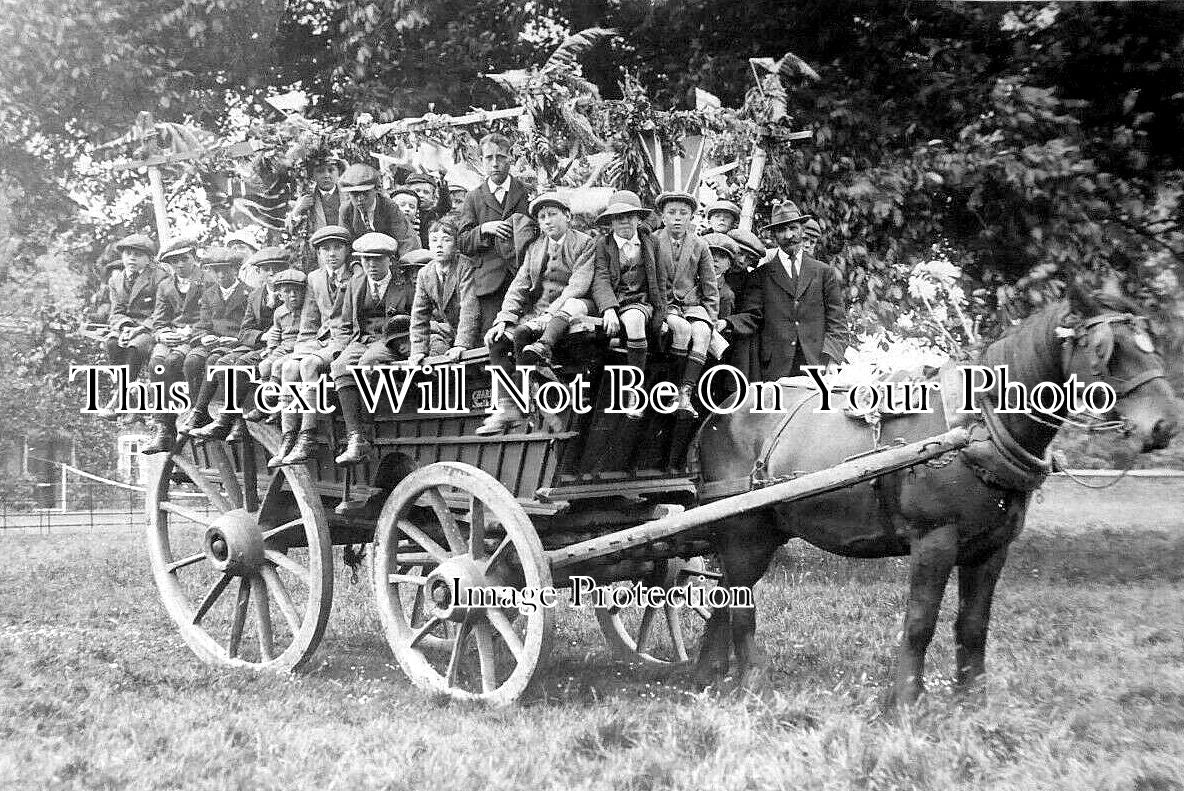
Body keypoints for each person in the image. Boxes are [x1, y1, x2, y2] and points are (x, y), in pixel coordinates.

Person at [477, 192, 595, 435]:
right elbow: (519, 286)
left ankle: (534, 401)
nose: (547, 221)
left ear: (568, 216)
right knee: (498, 339)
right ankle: (508, 407)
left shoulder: (585, 243)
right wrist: (503, 318)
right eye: (542, 217)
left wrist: (550, 314)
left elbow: (578, 286)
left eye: (552, 214)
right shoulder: (535, 248)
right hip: (537, 312)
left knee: (522, 334)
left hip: (569, 310)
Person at [271, 224, 358, 466]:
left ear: (346, 251)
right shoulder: (314, 278)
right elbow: (309, 322)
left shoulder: (355, 274)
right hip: (321, 339)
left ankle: (307, 435)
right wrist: (298, 351)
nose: (331, 254)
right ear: (319, 253)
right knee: (290, 367)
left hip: (347, 338)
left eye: (337, 248)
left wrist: (307, 356)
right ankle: (289, 436)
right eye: (325, 249)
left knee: (309, 365)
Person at [329, 232, 417, 465]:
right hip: (362, 339)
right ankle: (355, 438)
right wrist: (341, 349)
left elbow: (416, 320)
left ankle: (367, 432)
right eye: (367, 260)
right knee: (339, 365)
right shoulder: (355, 284)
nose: (372, 265)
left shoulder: (405, 284)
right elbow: (345, 324)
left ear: (390, 260)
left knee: (368, 362)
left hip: (392, 340)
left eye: (378, 260)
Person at [190, 247, 292, 443]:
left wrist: (276, 337)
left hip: (283, 347)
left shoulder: (293, 292)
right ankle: (234, 421)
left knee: (240, 365)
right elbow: (244, 331)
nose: (271, 274)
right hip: (259, 345)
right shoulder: (255, 295)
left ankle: (226, 420)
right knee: (222, 363)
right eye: (266, 269)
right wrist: (262, 336)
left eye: (277, 269)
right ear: (259, 272)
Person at [737, 201, 847, 380]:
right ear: (773, 235)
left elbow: (837, 322)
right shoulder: (760, 276)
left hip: (815, 364)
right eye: (781, 230)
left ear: (802, 230)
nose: (789, 235)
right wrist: (726, 323)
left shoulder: (823, 272)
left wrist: (832, 359)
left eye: (793, 228)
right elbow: (751, 317)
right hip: (774, 367)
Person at [589, 190, 671, 419]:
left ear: (638, 218)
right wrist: (609, 310)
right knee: (625, 323)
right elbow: (601, 279)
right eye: (618, 218)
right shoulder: (603, 245)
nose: (624, 222)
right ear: (611, 222)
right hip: (618, 301)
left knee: (635, 320)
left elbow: (661, 281)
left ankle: (635, 391)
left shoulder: (651, 242)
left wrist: (661, 317)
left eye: (629, 216)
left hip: (642, 302)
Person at [141, 238, 215, 454]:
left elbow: (209, 316)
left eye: (184, 259)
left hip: (198, 334)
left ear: (194, 257)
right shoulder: (165, 286)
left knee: (174, 361)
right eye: (175, 262)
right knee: (156, 364)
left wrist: (189, 333)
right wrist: (163, 333)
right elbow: (159, 319)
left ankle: (196, 416)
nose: (180, 265)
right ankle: (164, 429)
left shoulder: (208, 281)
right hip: (172, 335)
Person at [456, 133, 531, 334]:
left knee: (524, 334)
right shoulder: (474, 197)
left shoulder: (526, 192)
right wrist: (484, 229)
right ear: (481, 161)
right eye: (489, 158)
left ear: (511, 160)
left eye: (501, 157)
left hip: (524, 276)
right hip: (490, 283)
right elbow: (462, 242)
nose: (495, 163)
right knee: (493, 339)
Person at [655, 191, 719, 418]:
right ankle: (672, 391)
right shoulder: (653, 241)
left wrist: (712, 318)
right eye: (671, 213)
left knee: (702, 332)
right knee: (681, 330)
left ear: (691, 217)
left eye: (683, 213)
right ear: (662, 217)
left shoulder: (699, 245)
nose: (677, 218)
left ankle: (686, 392)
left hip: (691, 304)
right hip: (664, 304)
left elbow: (710, 284)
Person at [176, 248, 251, 435]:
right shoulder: (209, 294)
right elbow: (203, 324)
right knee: (191, 362)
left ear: (236, 270)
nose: (221, 275)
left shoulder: (249, 294)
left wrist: (236, 339)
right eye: (216, 270)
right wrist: (203, 337)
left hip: (237, 343)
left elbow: (252, 325)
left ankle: (221, 416)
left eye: (226, 270)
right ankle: (197, 411)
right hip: (213, 343)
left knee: (213, 362)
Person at [97, 233, 168, 420]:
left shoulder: (159, 278)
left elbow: (162, 311)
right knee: (112, 343)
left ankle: (119, 398)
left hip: (151, 325)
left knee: (136, 347)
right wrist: (124, 327)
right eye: (128, 254)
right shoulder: (116, 280)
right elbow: (116, 311)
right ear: (122, 256)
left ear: (149, 259)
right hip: (127, 326)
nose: (132, 258)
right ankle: (124, 394)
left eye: (138, 255)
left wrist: (140, 328)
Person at [407, 217, 479, 368]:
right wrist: (418, 350)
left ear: (456, 244)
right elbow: (419, 315)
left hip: (474, 332)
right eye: (434, 240)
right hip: (449, 330)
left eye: (446, 240)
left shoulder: (465, 266)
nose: (439, 245)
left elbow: (469, 308)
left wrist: (462, 344)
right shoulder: (425, 273)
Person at [337, 163, 420, 255]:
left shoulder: (388, 206)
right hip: (360, 261)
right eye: (354, 194)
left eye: (365, 193)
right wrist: (355, 265)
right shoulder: (346, 210)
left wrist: (405, 266)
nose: (360, 199)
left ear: (376, 190)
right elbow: (344, 244)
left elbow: (407, 240)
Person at [404, 172, 449, 248]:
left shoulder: (432, 214)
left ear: (433, 197)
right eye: (417, 191)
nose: (421, 195)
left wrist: (443, 187)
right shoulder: (403, 211)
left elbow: (445, 205)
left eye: (426, 192)